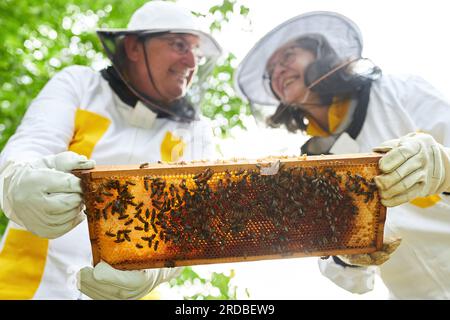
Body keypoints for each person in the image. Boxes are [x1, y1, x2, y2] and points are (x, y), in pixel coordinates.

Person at [0, 1, 222, 300]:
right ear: (133, 47)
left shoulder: (196, 130)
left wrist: (159, 266)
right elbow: (30, 146)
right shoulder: (80, 84)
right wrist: (17, 181)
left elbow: (194, 222)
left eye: (196, 51)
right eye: (179, 44)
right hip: (27, 286)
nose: (191, 61)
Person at [235, 11, 450, 299]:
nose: (278, 72)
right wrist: (346, 249)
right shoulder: (310, 164)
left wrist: (444, 168)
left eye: (287, 57)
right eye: (270, 72)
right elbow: (354, 282)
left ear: (323, 56)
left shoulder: (397, 90)